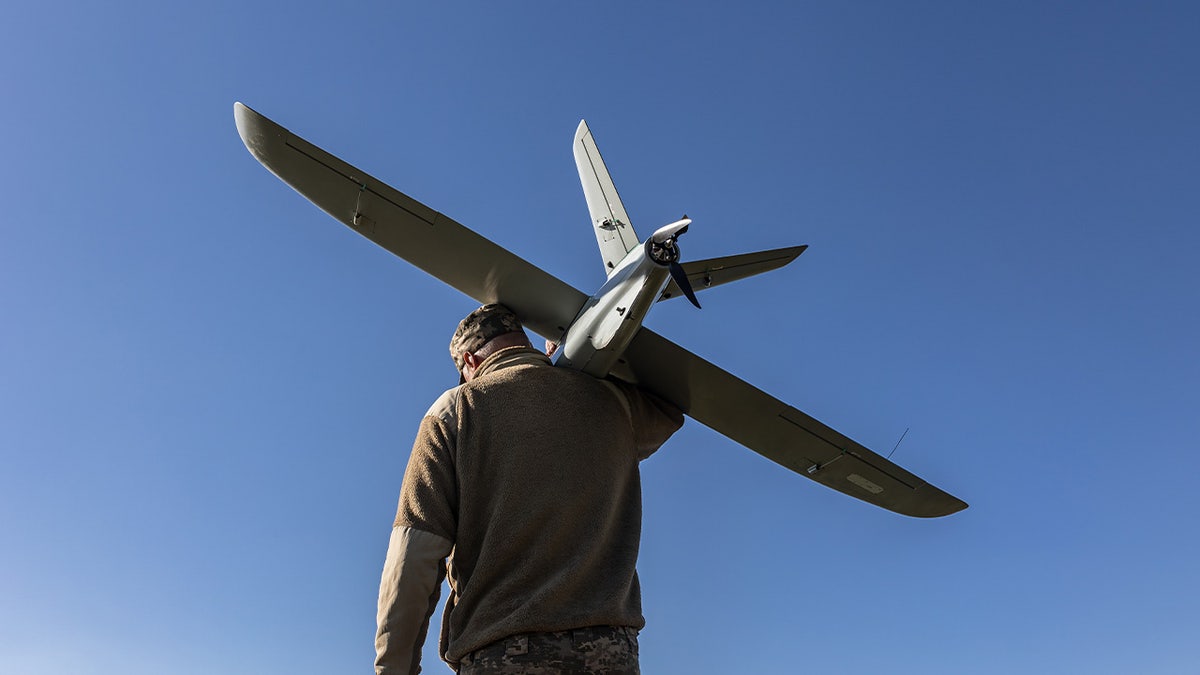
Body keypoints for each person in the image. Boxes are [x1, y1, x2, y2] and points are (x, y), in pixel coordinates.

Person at [375, 304, 683, 674]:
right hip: (610, 654)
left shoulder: (455, 410)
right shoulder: (613, 402)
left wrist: (394, 669)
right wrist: (584, 358)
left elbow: (413, 556)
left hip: (503, 653)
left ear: (469, 361)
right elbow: (669, 408)